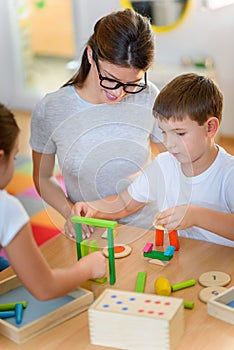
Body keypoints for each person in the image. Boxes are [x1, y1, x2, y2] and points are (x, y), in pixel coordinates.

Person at [30, 8, 164, 239]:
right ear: (91, 55)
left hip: (148, 228)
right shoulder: (52, 109)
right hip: (89, 229)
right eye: (111, 80)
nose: (120, 93)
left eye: (131, 83)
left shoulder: (149, 96)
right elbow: (42, 177)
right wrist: (69, 212)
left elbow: (167, 162)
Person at [72, 73, 234, 247]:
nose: (169, 143)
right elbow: (126, 203)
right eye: (164, 132)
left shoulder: (228, 174)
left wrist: (195, 216)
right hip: (185, 259)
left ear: (210, 128)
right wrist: (93, 208)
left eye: (179, 133)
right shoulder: (164, 164)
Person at [0, 103, 106, 300]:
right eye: (15, 158)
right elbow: (45, 287)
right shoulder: (6, 208)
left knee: (10, 271)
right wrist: (87, 268)